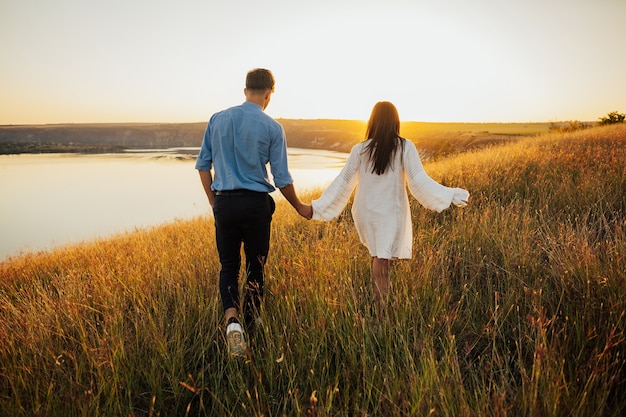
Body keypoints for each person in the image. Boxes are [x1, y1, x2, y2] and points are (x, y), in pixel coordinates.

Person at [196, 68, 312, 357]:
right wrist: (300, 207)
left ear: (245, 89)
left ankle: (232, 322)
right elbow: (282, 178)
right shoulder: (272, 127)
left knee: (228, 266)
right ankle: (253, 321)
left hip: (224, 203)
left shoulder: (217, 119)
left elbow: (202, 166)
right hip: (256, 205)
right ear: (269, 94)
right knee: (255, 266)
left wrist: (215, 202)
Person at [312, 101, 469, 311]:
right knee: (382, 259)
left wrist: (318, 207)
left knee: (381, 257)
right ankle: (381, 310)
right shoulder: (404, 146)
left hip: (366, 211)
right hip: (389, 212)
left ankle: (382, 304)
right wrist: (450, 195)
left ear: (372, 121)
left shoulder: (361, 149)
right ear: (396, 121)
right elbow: (419, 181)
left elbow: (343, 182)